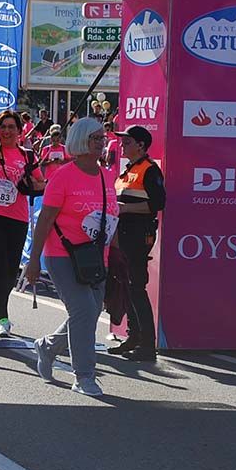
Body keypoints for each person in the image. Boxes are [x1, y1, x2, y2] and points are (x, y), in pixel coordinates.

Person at [26, 117, 119, 397]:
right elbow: (45, 221)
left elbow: (111, 216)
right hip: (62, 255)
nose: (102, 143)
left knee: (88, 313)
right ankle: (84, 376)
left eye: (103, 138)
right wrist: (33, 261)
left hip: (95, 257)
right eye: (96, 138)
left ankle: (49, 346)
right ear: (81, 141)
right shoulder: (63, 176)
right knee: (82, 311)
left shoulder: (106, 175)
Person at [0, 109, 46, 337]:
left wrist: (29, 184)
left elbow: (42, 184)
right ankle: (3, 319)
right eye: (2, 126)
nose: (6, 131)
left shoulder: (28, 156)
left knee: (12, 270)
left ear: (19, 131)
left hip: (17, 217)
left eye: (11, 127)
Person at [108, 125, 165, 363]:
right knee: (127, 286)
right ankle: (133, 337)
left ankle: (146, 346)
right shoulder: (127, 171)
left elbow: (157, 204)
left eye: (128, 141)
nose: (122, 145)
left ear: (141, 145)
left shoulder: (150, 170)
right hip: (122, 234)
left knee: (137, 287)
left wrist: (124, 209)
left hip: (138, 235)